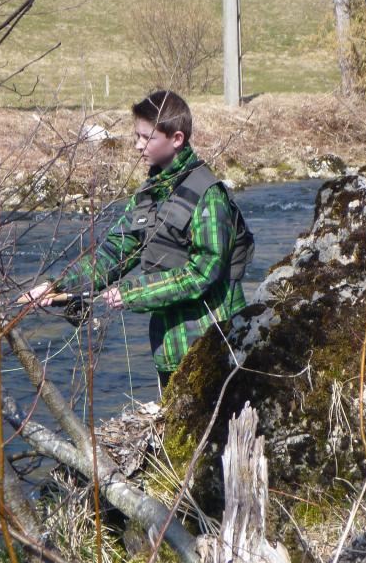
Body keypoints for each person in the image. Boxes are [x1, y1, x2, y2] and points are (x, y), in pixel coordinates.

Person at [18, 90, 253, 391]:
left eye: (147, 137)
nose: (138, 145)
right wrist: (58, 286)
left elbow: (203, 274)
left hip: (215, 352)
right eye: (136, 136)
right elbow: (113, 254)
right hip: (169, 353)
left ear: (177, 139)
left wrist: (132, 292)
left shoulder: (209, 195)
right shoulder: (148, 195)